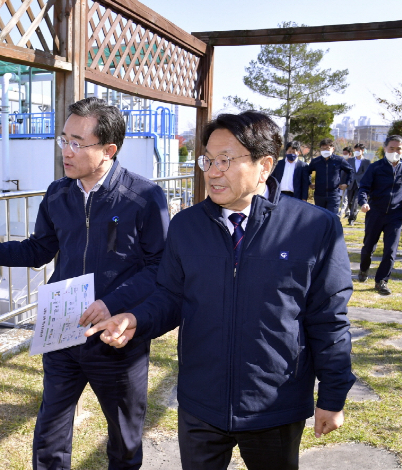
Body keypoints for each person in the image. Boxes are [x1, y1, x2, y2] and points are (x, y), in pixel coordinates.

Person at [86, 111, 355, 470]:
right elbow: (170, 296)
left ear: (265, 165)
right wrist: (136, 319)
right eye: (208, 160)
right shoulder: (186, 226)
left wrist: (333, 396)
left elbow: (328, 318)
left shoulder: (314, 227)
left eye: (226, 161)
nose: (212, 171)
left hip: (275, 404)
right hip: (201, 403)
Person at [0, 97, 170, 470]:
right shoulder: (58, 193)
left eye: (77, 143)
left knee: (124, 439)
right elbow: (37, 251)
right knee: (50, 433)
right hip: (62, 327)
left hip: (115, 335)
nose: (66, 151)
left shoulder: (144, 198)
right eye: (63, 139)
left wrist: (113, 304)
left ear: (109, 149)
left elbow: (160, 267)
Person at [356, 135, 402, 295]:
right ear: (385, 148)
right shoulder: (375, 167)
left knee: (391, 250)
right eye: (392, 148)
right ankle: (363, 269)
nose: (395, 151)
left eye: (399, 149)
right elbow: (363, 188)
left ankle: (381, 281)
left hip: (395, 216)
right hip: (375, 212)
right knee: (369, 246)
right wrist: (363, 202)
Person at [306, 138, 354, 214]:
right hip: (319, 194)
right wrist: (309, 183)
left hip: (334, 194)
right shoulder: (316, 161)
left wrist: (347, 183)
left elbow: (350, 171)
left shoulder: (339, 160)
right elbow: (307, 172)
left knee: (332, 217)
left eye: (327, 148)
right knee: (320, 217)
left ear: (333, 149)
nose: (325, 150)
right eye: (323, 148)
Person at [345, 143, 371, 225]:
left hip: (360, 184)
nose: (356, 152)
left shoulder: (366, 162)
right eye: (355, 150)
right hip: (351, 183)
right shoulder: (350, 160)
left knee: (355, 201)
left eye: (358, 150)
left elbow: (368, 173)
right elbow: (347, 171)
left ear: (362, 151)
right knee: (349, 201)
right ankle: (354, 212)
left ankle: (351, 219)